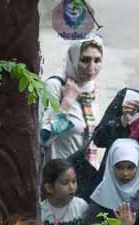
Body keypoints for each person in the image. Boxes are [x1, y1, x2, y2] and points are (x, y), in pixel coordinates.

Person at [40, 36, 104, 171]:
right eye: (85, 60)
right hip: (59, 176)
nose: (91, 68)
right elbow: (42, 138)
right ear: (73, 59)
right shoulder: (55, 86)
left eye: (97, 60)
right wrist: (67, 102)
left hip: (85, 175)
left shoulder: (91, 88)